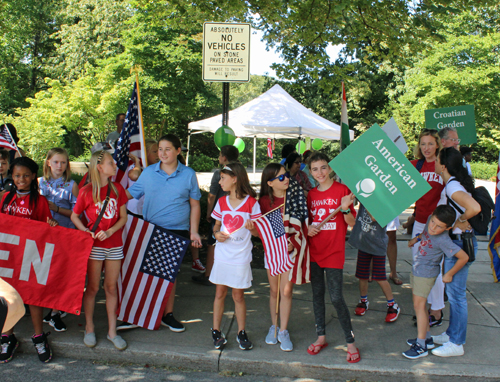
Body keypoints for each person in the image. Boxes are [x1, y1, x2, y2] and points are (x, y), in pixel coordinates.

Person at [127, 134, 202, 333]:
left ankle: (167, 315)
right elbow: (129, 195)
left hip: (177, 230)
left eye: (168, 149)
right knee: (148, 273)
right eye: (160, 149)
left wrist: (194, 231)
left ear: (178, 151)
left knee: (170, 274)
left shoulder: (188, 174)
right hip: (150, 228)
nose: (162, 153)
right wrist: (103, 191)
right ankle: (143, 313)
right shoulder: (149, 172)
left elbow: (195, 205)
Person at [0, 157, 59, 363]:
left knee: (34, 296)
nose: (21, 179)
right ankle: (7, 336)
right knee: (8, 297)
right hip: (8, 256)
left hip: (31, 256)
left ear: (34, 176)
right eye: (17, 176)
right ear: (12, 177)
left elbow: (45, 228)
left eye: (26, 175)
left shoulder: (40, 201)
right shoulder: (5, 198)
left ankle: (39, 336)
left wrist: (50, 224)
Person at [71, 150, 129, 351]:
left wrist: (111, 230)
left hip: (114, 246)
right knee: (93, 288)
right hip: (94, 247)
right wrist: (86, 231)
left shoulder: (118, 189)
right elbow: (74, 216)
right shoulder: (86, 191)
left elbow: (123, 217)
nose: (115, 165)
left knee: (111, 287)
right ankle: (89, 327)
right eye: (111, 163)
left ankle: (112, 331)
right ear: (99, 167)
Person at [306, 152, 360, 363]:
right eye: (315, 169)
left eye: (323, 167)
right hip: (315, 251)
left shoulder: (342, 191)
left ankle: (350, 341)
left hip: (334, 251)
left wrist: (345, 207)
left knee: (336, 297)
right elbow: (307, 223)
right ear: (310, 172)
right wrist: (308, 227)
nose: (320, 172)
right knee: (317, 295)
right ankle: (321, 337)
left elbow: (351, 223)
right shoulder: (310, 195)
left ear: (330, 168)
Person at [431, 147, 480, 357]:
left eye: (436, 158)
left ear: (443, 165)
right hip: (457, 243)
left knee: (457, 295)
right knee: (453, 293)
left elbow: (474, 208)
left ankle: (457, 343)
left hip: (460, 244)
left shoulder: (452, 187)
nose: (433, 161)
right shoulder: (452, 185)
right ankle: (452, 334)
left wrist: (460, 221)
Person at [403, 205, 468, 359]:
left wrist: (449, 274)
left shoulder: (444, 240)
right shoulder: (429, 221)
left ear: (448, 228)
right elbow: (426, 233)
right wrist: (416, 239)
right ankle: (427, 339)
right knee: (420, 306)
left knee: (419, 307)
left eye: (439, 227)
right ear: (431, 216)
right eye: (433, 222)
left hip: (426, 275)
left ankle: (421, 346)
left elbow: (464, 257)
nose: (433, 228)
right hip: (418, 269)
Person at [210, 162, 261, 350]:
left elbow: (258, 233)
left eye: (223, 178)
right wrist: (216, 234)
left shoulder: (251, 203)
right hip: (223, 255)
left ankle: (241, 331)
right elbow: (216, 225)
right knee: (219, 293)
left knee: (238, 295)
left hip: (240, 256)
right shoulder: (222, 201)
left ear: (235, 179)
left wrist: (253, 228)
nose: (220, 181)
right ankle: (216, 330)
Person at [39, 148, 79, 332]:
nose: (59, 166)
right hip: (43, 236)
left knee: (62, 274)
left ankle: (55, 312)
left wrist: (56, 208)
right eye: (56, 162)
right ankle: (47, 308)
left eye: (63, 162)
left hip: (65, 234)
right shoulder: (39, 183)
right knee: (46, 273)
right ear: (48, 162)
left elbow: (77, 214)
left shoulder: (71, 185)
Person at [409, 129, 446, 327]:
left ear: (438, 144)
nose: (426, 148)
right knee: (419, 267)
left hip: (438, 225)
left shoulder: (443, 165)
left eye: (430, 144)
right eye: (423, 144)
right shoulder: (415, 165)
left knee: (434, 268)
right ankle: (423, 307)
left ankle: (437, 310)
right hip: (420, 222)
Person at [259, 163, 295, 351]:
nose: (286, 179)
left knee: (286, 291)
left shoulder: (295, 198)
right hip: (272, 252)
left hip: (290, 252)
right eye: (281, 177)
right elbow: (261, 229)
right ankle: (274, 326)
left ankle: (283, 330)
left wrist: (294, 241)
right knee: (274, 291)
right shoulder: (264, 201)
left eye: (286, 175)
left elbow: (302, 225)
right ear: (270, 183)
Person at [193, 145, 240, 286]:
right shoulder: (240, 172)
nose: (219, 157)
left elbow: (212, 195)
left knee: (213, 243)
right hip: (236, 213)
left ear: (224, 157)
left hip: (220, 214)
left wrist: (209, 212)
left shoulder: (219, 173)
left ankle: (209, 274)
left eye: (220, 155)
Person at [349, 204, 401, 322]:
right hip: (364, 242)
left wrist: (366, 200)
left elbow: (373, 217)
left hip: (378, 245)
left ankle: (392, 304)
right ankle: (363, 300)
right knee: (362, 276)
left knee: (380, 277)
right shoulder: (365, 197)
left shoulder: (387, 204)